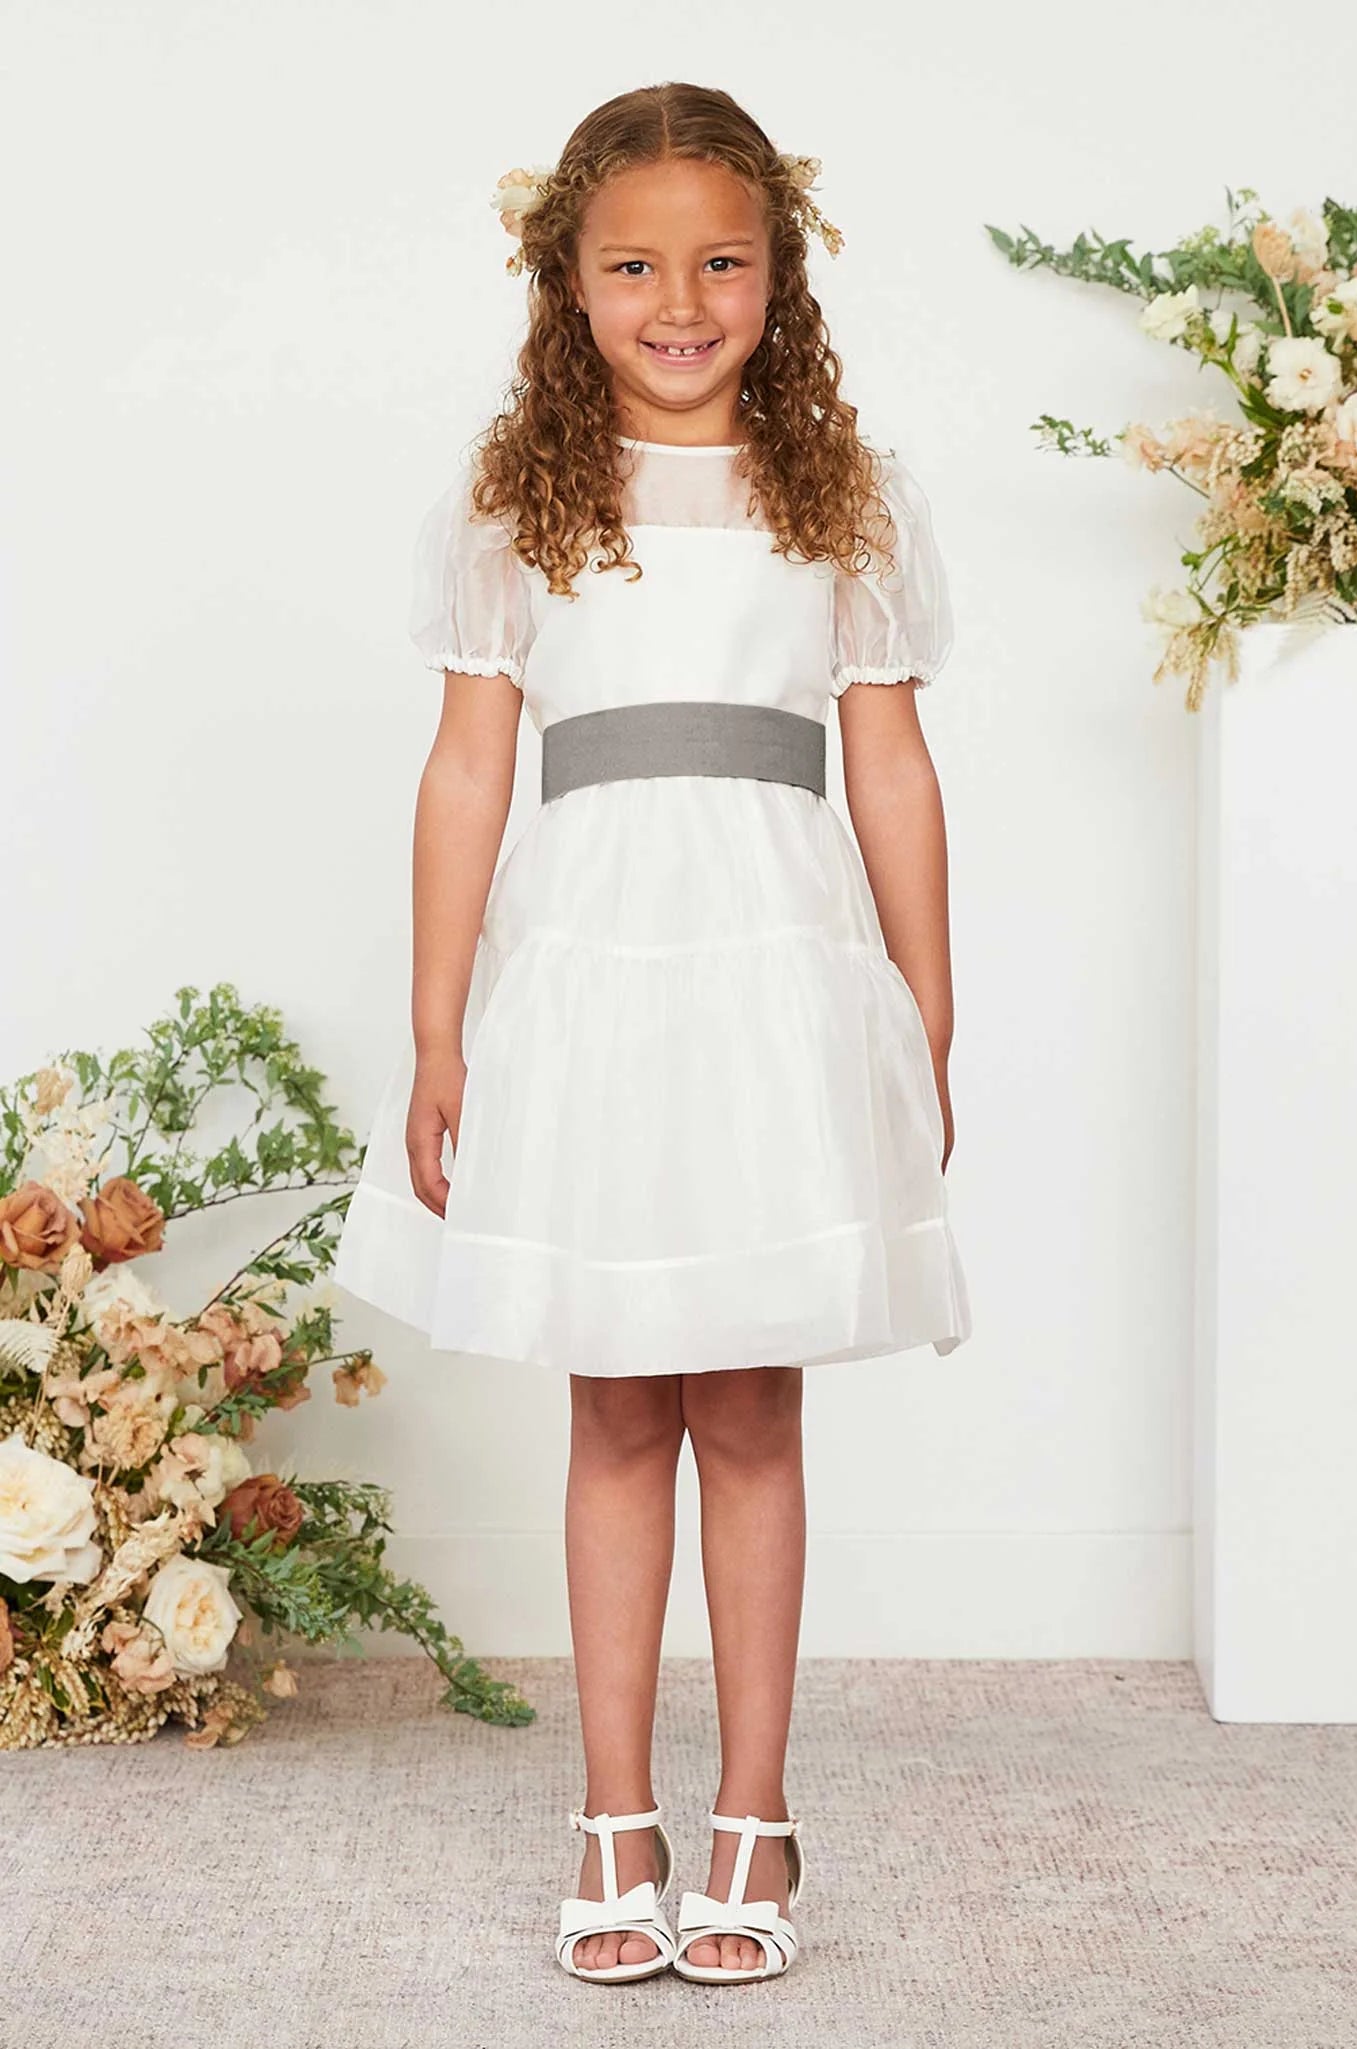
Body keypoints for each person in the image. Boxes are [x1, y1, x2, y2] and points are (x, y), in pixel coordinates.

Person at [333, 80, 972, 1986]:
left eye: (719, 263)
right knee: (616, 1399)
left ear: (781, 275)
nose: (677, 303)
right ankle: (615, 1810)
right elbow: (466, 770)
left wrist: (924, 1007)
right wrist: (438, 1027)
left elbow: (889, 765)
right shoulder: (515, 499)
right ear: (567, 282)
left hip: (775, 977)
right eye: (631, 267)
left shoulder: (841, 495)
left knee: (750, 1400)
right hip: (590, 976)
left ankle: (752, 1811)